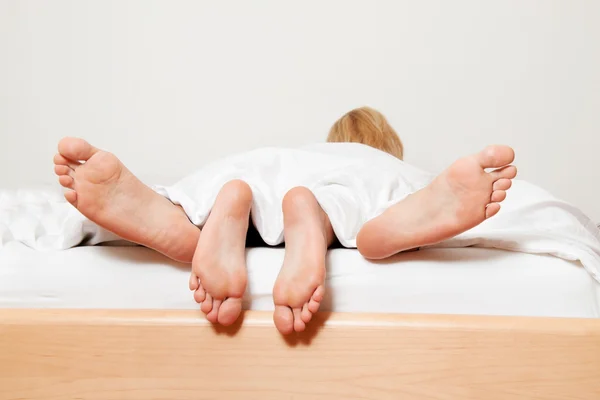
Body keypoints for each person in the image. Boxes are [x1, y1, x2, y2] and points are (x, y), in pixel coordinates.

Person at [52, 107, 516, 334]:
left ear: (329, 140)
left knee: (227, 189)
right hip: (370, 185)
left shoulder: (296, 156)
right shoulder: (377, 163)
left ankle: (196, 215)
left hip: (253, 171)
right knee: (359, 203)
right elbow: (371, 172)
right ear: (387, 148)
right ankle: (355, 224)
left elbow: (280, 170)